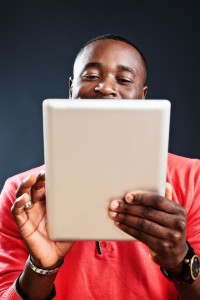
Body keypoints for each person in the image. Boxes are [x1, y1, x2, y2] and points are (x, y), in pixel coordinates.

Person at [0, 34, 200, 300]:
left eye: (124, 79)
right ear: (71, 90)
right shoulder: (23, 192)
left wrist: (180, 261)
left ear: (143, 97)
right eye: (91, 76)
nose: (105, 87)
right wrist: (41, 267)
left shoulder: (192, 178)